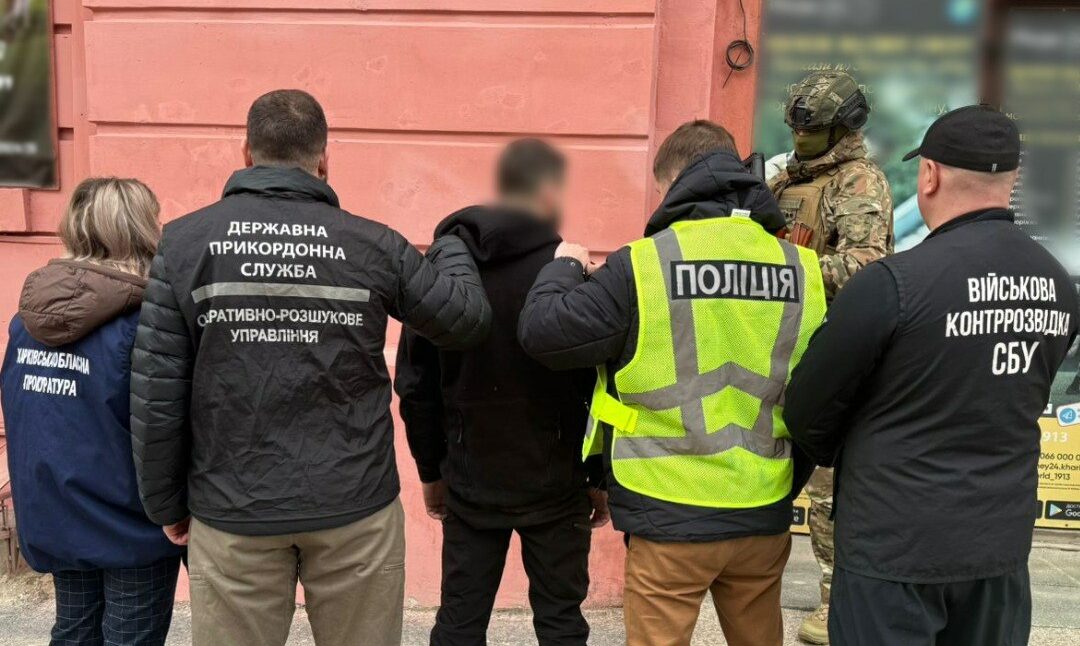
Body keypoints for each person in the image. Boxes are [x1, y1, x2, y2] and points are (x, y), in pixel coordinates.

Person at [129, 89, 491, 646]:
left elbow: (158, 391)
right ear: (324, 159)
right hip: (353, 505)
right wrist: (455, 247)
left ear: (246, 153)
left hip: (233, 508)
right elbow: (464, 321)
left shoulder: (183, 243)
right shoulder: (373, 244)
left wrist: (165, 503)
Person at [516, 120, 827, 646]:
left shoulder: (645, 264)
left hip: (668, 512)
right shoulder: (802, 268)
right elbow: (821, 395)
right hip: (762, 506)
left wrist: (564, 268)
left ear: (675, 184)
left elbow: (543, 332)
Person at [784, 105, 1077, 645]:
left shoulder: (892, 284)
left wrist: (844, 448)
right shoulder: (1057, 283)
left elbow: (806, 408)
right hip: (998, 549)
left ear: (930, 175)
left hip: (893, 549)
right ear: (1012, 180)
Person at [395, 139, 607, 646]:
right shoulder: (569, 271)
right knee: (561, 624)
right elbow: (599, 383)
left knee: (460, 623)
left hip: (471, 480)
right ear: (550, 193)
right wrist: (598, 476)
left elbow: (416, 387)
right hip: (557, 481)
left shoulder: (444, 275)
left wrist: (431, 472)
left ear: (503, 186)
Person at [0, 178, 183, 646]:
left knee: (74, 631)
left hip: (56, 514)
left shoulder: (27, 321)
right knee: (129, 637)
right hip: (131, 526)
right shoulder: (145, 322)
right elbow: (163, 427)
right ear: (142, 228)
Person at [767, 69, 894, 644]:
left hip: (830, 352)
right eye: (795, 126)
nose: (800, 136)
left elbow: (866, 265)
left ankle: (835, 601)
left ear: (843, 128)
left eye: (812, 128)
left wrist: (782, 274)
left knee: (826, 491)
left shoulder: (857, 181)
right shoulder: (784, 179)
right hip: (778, 349)